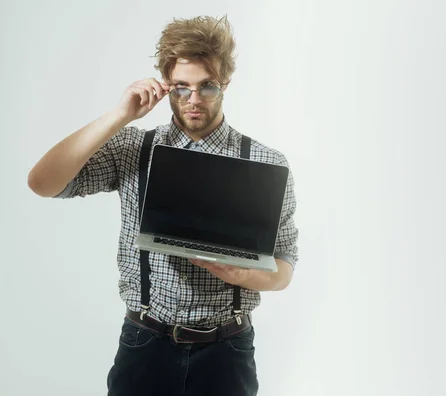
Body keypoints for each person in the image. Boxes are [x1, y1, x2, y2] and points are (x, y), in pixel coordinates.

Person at [27, 15, 299, 396]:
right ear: (166, 85)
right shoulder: (134, 149)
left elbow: (284, 267)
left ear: (226, 85)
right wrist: (120, 116)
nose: (193, 101)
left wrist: (242, 276)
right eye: (181, 88)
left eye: (207, 87)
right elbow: (43, 183)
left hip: (227, 349)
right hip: (145, 343)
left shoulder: (266, 163)